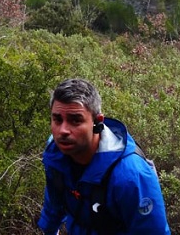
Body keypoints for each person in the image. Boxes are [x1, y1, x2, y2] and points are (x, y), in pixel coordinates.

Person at [38, 78, 171, 235]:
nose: (63, 131)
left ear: (97, 121)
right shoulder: (56, 153)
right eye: (57, 119)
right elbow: (54, 205)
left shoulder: (130, 175)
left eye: (75, 120)